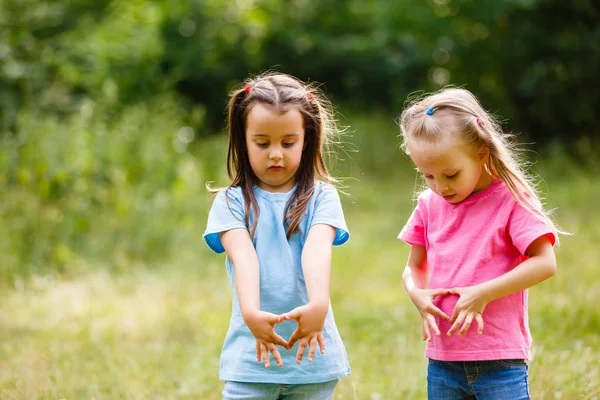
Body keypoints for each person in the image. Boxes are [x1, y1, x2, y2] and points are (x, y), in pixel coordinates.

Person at [397, 88, 563, 399]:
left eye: (450, 174)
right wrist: (416, 292)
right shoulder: (428, 204)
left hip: (499, 359)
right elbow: (414, 266)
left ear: (481, 152)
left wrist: (484, 293)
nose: (440, 187)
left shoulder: (511, 199)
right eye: (428, 176)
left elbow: (545, 262)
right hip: (443, 360)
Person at [203, 72, 350, 400]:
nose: (275, 154)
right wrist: (251, 314)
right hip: (252, 358)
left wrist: (318, 304)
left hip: (312, 358)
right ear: (243, 140)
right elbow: (244, 258)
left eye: (288, 143)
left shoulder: (322, 198)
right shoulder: (231, 201)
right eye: (262, 143)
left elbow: (316, 250)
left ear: (306, 138)